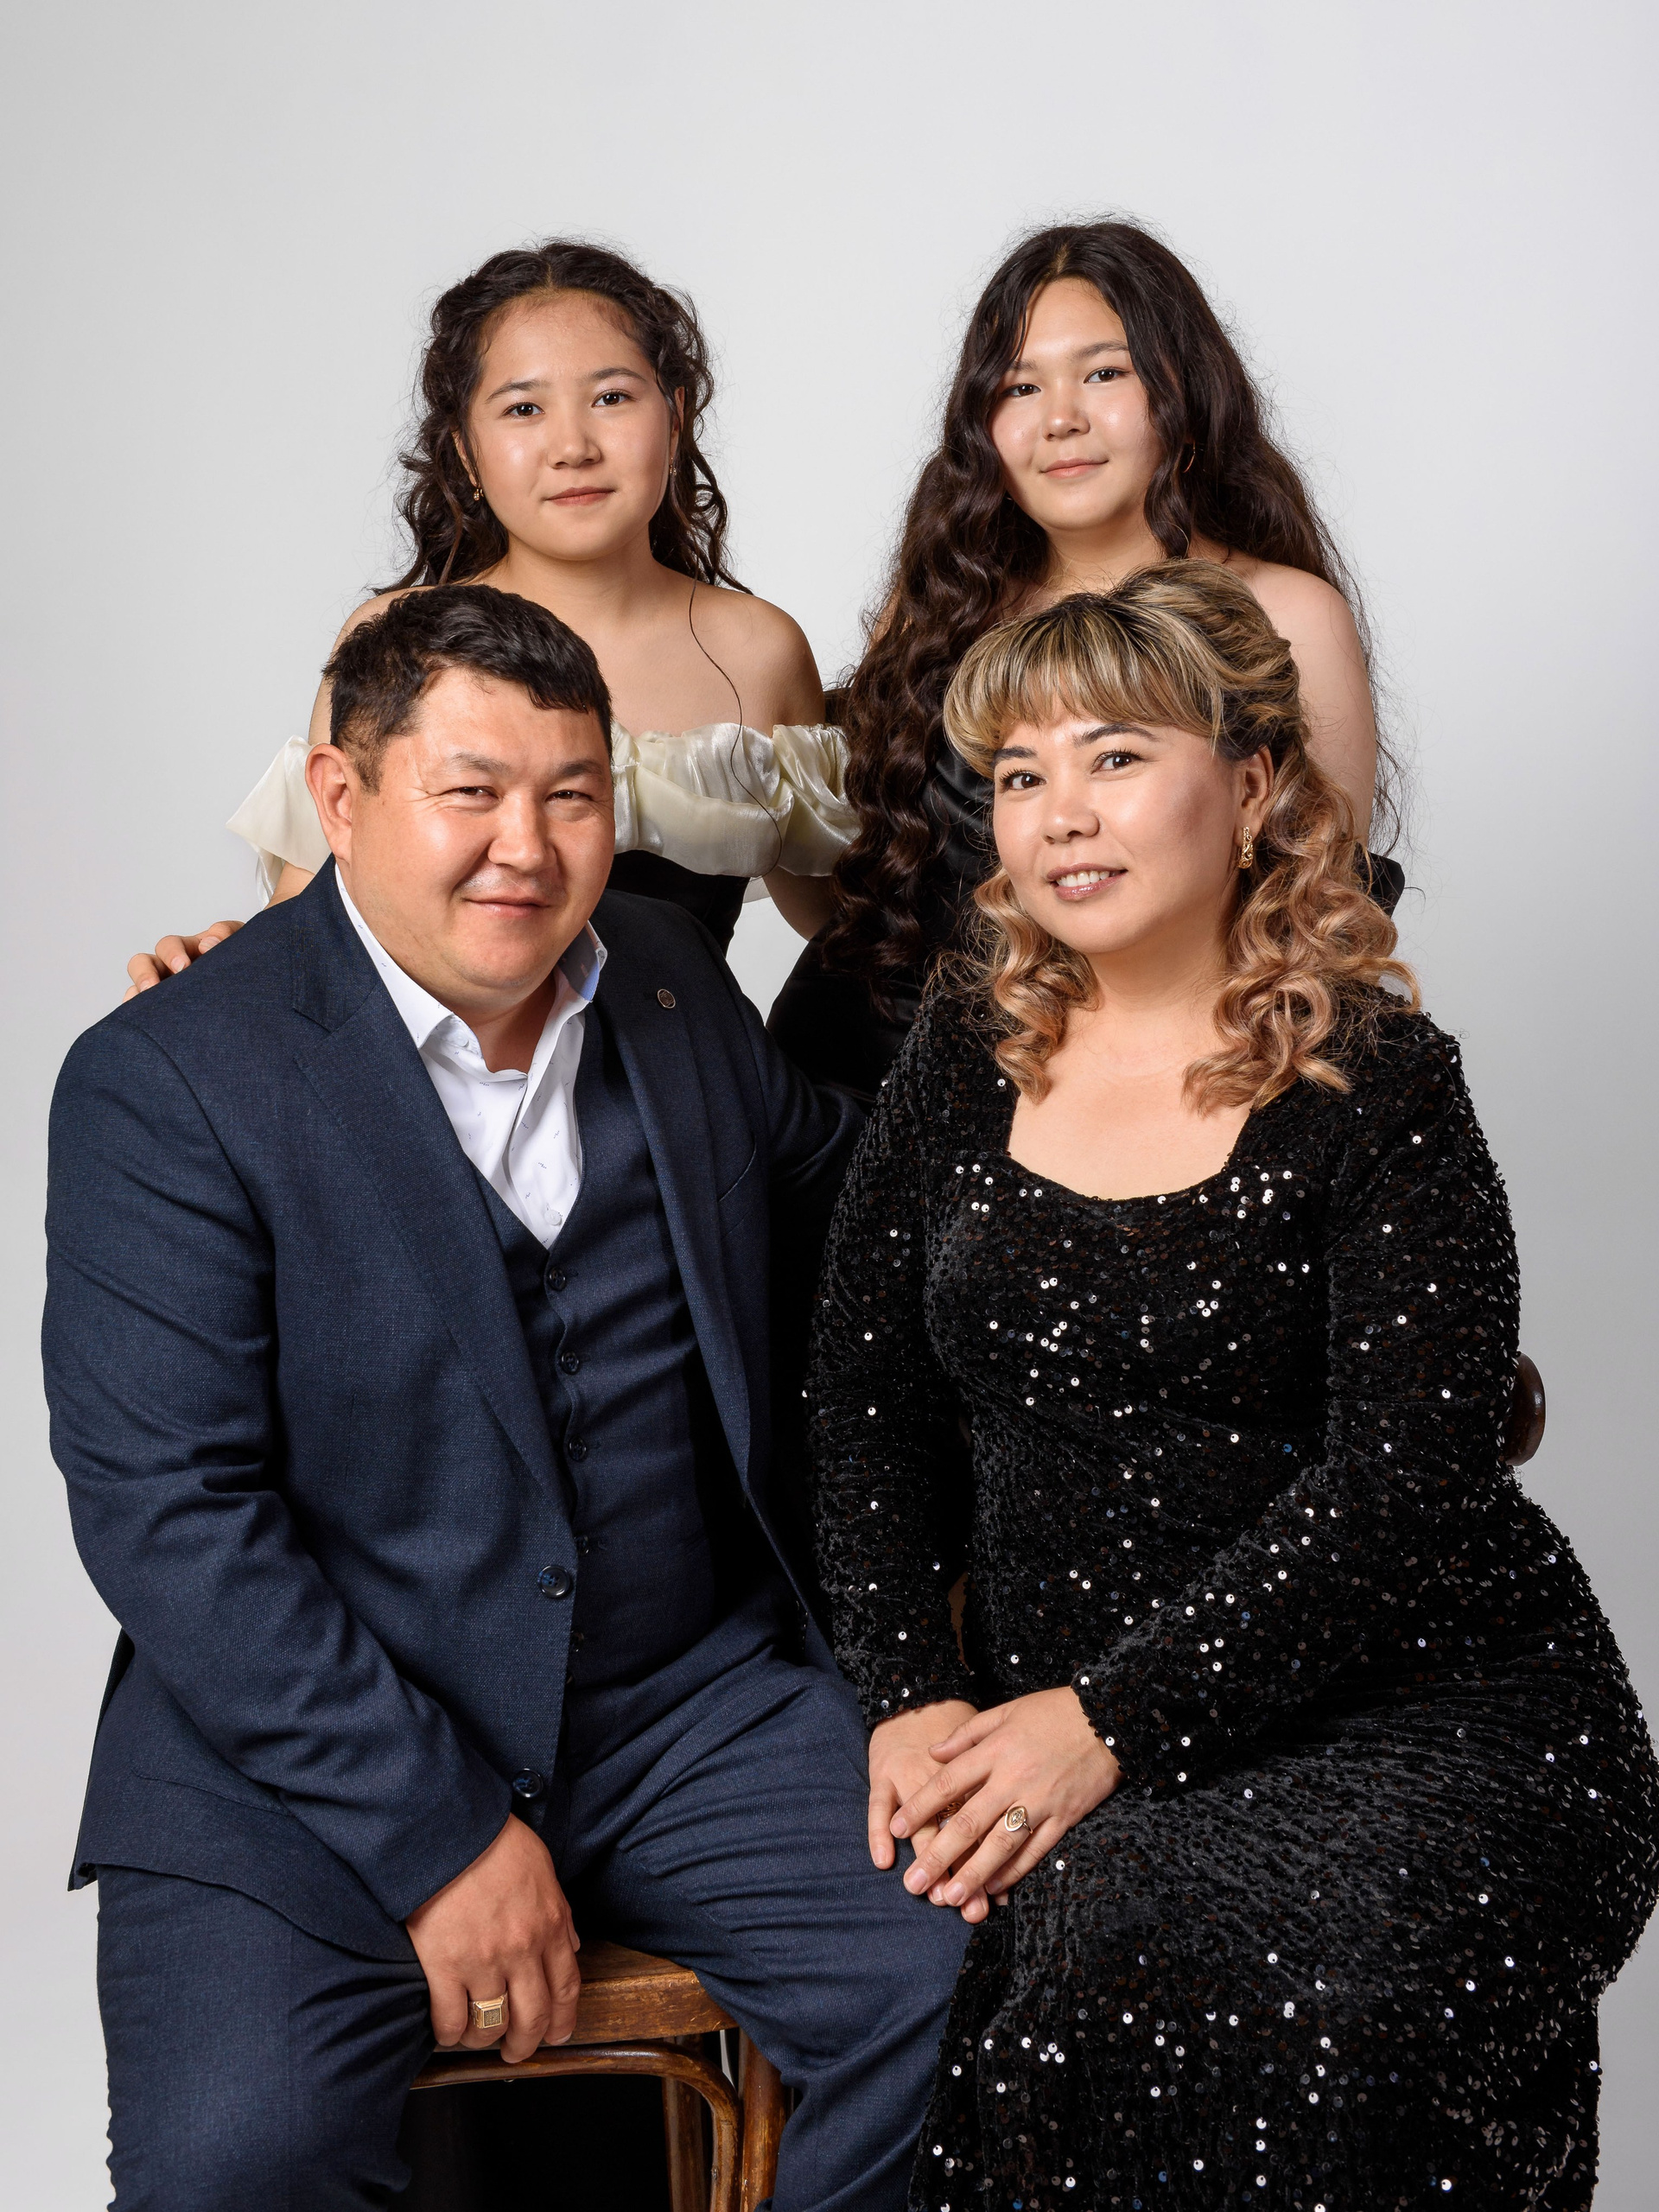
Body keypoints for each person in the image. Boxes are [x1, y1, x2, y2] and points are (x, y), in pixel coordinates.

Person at [45, 586, 969, 2211]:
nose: (524, 849)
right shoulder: (167, 1074)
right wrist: (441, 1841)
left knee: (981, 1988)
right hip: (301, 1766)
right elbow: (171, 1518)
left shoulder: (669, 980)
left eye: (573, 796)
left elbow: (868, 1206)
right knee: (235, 2162)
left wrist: (1141, 1052)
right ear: (341, 798)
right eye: (469, 792)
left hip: (681, 1709)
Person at [806, 565, 1659, 2209]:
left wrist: (1109, 1721)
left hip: (1427, 1707)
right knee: (1090, 1971)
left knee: (1313, 2017)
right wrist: (910, 1691)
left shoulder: (1383, 1083)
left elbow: (1409, 1486)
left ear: (1254, 785)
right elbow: (865, 1408)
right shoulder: (960, 1057)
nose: (1063, 812)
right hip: (1079, 1730)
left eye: (1118, 756)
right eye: (1020, 775)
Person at [770, 219, 1401, 1103]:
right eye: (1020, 386)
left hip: (1124, 1103)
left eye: (1105, 374)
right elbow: (860, 898)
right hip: (851, 1083)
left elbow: (1322, 925)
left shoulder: (1290, 612)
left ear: (1186, 393)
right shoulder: (941, 601)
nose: (1060, 419)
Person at [124, 238, 849, 996]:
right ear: (466, 452)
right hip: (431, 1066)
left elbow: (840, 927)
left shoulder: (758, 650)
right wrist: (218, 969)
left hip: (679, 1065)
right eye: (524, 409)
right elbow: (313, 914)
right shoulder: (396, 642)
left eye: (611, 398)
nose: (572, 447)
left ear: (675, 418)